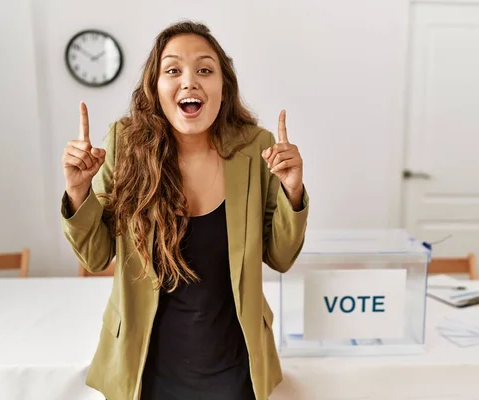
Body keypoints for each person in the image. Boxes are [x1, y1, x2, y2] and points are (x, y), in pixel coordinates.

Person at [60, 20, 309, 400]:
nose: (189, 82)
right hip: (145, 367)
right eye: (173, 70)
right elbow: (95, 258)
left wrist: (293, 193)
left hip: (235, 366)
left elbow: (280, 256)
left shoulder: (256, 147)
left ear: (223, 88)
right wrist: (78, 193)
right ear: (155, 89)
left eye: (205, 70)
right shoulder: (124, 144)